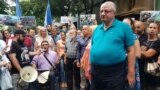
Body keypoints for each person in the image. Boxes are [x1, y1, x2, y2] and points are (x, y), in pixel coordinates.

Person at [90, 1, 135, 90]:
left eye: (106, 11)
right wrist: (88, 65)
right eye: (101, 11)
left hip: (115, 71)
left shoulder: (124, 27)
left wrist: (131, 72)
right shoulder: (96, 29)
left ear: (114, 13)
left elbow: (131, 50)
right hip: (96, 70)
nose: (103, 13)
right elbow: (92, 48)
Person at [140, 22, 160, 90]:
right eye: (150, 27)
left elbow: (147, 55)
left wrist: (136, 51)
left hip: (152, 72)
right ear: (147, 29)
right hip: (141, 70)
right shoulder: (143, 40)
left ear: (158, 30)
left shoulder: (158, 42)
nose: (152, 29)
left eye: (154, 28)